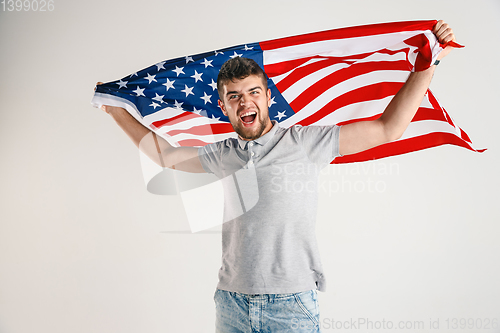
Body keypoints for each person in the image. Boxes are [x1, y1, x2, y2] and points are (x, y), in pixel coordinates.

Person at [96, 20, 455, 333]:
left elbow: (386, 129)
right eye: (233, 96)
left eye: (253, 92)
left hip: (291, 307)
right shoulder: (224, 154)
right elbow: (166, 156)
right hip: (231, 303)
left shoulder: (306, 142)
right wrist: (116, 111)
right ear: (223, 107)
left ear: (268, 97)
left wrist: (427, 66)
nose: (244, 102)